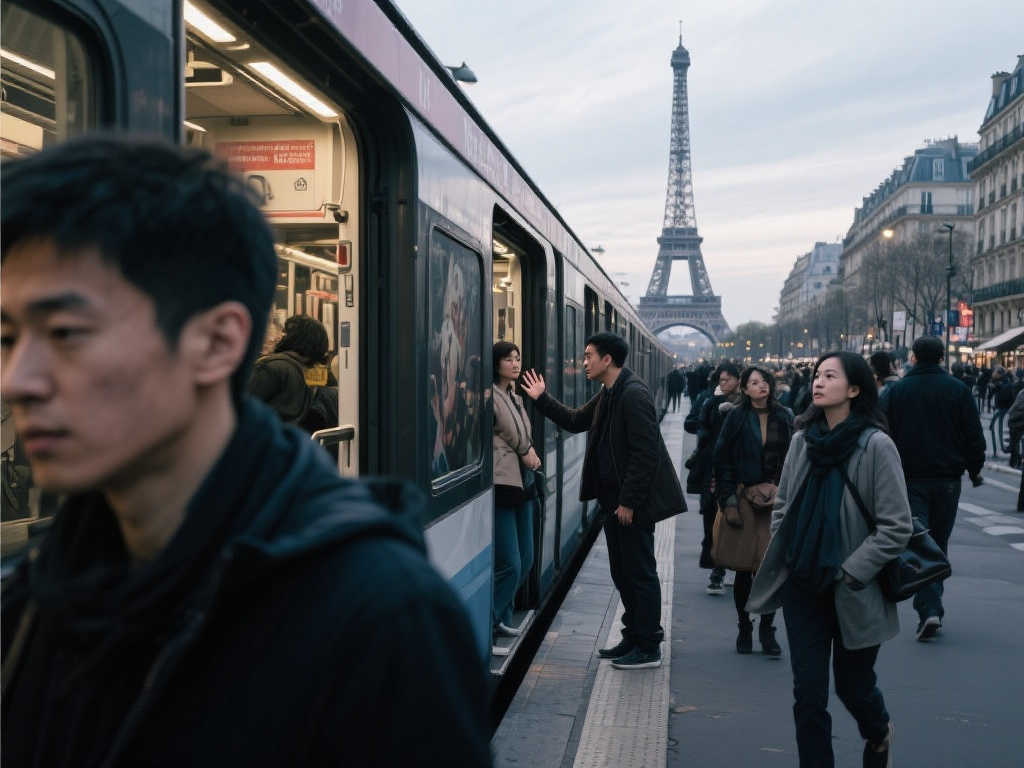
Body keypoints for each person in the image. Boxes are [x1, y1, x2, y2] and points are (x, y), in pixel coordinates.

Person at [0, 137, 491, 767]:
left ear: (217, 342)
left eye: (66, 333)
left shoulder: (383, 621)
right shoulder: (39, 595)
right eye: (7, 337)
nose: (17, 379)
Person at [747, 351, 912, 768]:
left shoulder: (877, 446)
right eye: (817, 375)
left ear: (854, 389)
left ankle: (878, 732)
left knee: (853, 687)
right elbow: (784, 506)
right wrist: (789, 550)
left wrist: (851, 571)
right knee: (808, 693)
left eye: (830, 376)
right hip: (804, 583)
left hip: (854, 587)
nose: (818, 382)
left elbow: (897, 526)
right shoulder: (802, 441)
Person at [520, 332, 685, 670]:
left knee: (639, 572)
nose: (584, 363)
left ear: (607, 359)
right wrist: (541, 398)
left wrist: (629, 502)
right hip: (613, 500)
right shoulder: (611, 392)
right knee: (622, 572)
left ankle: (648, 645)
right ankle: (633, 635)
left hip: (631, 504)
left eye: (588, 356)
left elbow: (645, 454)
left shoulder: (633, 395)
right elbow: (575, 420)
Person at [880, 336, 985, 642]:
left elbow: (882, 432)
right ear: (941, 358)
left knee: (918, 541)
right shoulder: (958, 390)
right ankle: (931, 605)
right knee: (938, 541)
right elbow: (973, 434)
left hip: (908, 477)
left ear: (913, 357)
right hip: (947, 478)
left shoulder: (896, 391)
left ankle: (929, 608)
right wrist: (974, 469)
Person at [713, 366, 794, 656]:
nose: (762, 386)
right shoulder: (735, 417)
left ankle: (767, 629)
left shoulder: (784, 416)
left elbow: (793, 458)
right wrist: (728, 501)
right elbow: (723, 460)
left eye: (764, 381)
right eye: (755, 382)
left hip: (776, 501)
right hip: (744, 497)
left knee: (770, 569)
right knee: (744, 569)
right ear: (745, 389)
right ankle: (745, 626)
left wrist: (783, 489)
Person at [491, 341, 541, 656]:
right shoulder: (491, 396)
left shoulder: (516, 397)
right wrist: (526, 451)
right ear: (496, 363)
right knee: (510, 563)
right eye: (509, 359)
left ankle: (500, 620)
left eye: (518, 358)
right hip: (504, 484)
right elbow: (517, 434)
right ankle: (490, 626)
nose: (515, 363)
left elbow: (524, 436)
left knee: (526, 559)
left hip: (524, 484)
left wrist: (527, 449)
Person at [688, 363, 741, 595]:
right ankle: (718, 567)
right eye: (721, 380)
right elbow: (699, 429)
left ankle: (725, 568)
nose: (724, 383)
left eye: (728, 379)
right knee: (713, 521)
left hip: (737, 473)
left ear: (738, 380)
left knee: (731, 521)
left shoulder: (747, 407)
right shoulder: (710, 402)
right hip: (713, 472)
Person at [249, 314, 338, 434]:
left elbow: (241, 408)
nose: (278, 337)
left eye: (284, 333)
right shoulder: (317, 372)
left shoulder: (270, 368)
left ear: (294, 339)